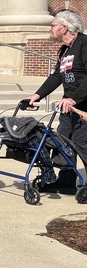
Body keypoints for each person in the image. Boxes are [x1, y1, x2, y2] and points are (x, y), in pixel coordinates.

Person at [26, 9, 87, 172]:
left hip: (83, 105)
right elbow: (56, 77)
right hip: (68, 106)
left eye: (53, 25)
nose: (50, 29)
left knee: (82, 143)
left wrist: (73, 99)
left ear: (64, 28)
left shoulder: (84, 44)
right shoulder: (65, 49)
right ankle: (66, 181)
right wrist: (37, 95)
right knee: (63, 141)